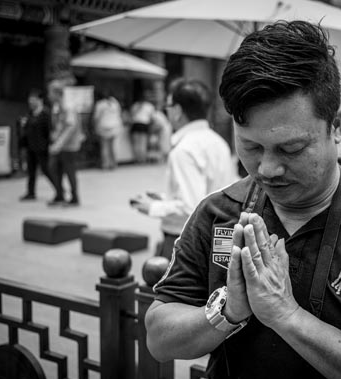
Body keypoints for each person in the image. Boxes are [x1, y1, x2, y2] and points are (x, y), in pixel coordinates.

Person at [145, 21, 341, 379]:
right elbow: (158, 338)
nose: (267, 169)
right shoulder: (219, 212)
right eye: (250, 147)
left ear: (336, 125)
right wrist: (227, 310)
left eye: (290, 149)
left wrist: (286, 315)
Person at [131, 78, 236, 259]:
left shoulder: (184, 150)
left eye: (168, 106)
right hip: (218, 237)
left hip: (186, 241)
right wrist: (165, 198)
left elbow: (191, 207)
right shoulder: (218, 142)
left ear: (178, 111)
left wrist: (152, 207)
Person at [47, 81, 85, 207]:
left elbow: (70, 126)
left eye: (50, 92)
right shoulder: (58, 106)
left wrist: (58, 143)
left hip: (69, 146)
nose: (48, 95)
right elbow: (60, 125)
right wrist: (55, 135)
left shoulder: (68, 106)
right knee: (54, 168)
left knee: (69, 171)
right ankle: (60, 195)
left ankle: (74, 198)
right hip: (62, 145)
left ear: (57, 93)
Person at [18, 89, 53, 201]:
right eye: (30, 100)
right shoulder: (30, 113)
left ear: (40, 100)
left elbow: (49, 131)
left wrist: (48, 145)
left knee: (46, 170)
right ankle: (31, 192)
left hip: (42, 148)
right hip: (31, 147)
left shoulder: (46, 114)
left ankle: (59, 190)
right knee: (31, 171)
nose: (31, 102)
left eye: (33, 100)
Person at [93, 91, 123, 170]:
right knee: (114, 147)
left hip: (104, 126)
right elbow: (119, 114)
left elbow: (96, 117)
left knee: (105, 147)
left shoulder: (100, 104)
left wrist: (95, 127)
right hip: (115, 126)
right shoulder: (115, 103)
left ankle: (105, 164)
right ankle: (114, 163)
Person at [129, 99, 156, 163]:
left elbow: (131, 115)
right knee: (142, 143)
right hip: (143, 125)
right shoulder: (149, 106)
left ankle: (138, 159)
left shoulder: (135, 105)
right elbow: (152, 117)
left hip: (136, 125)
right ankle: (142, 159)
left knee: (137, 143)